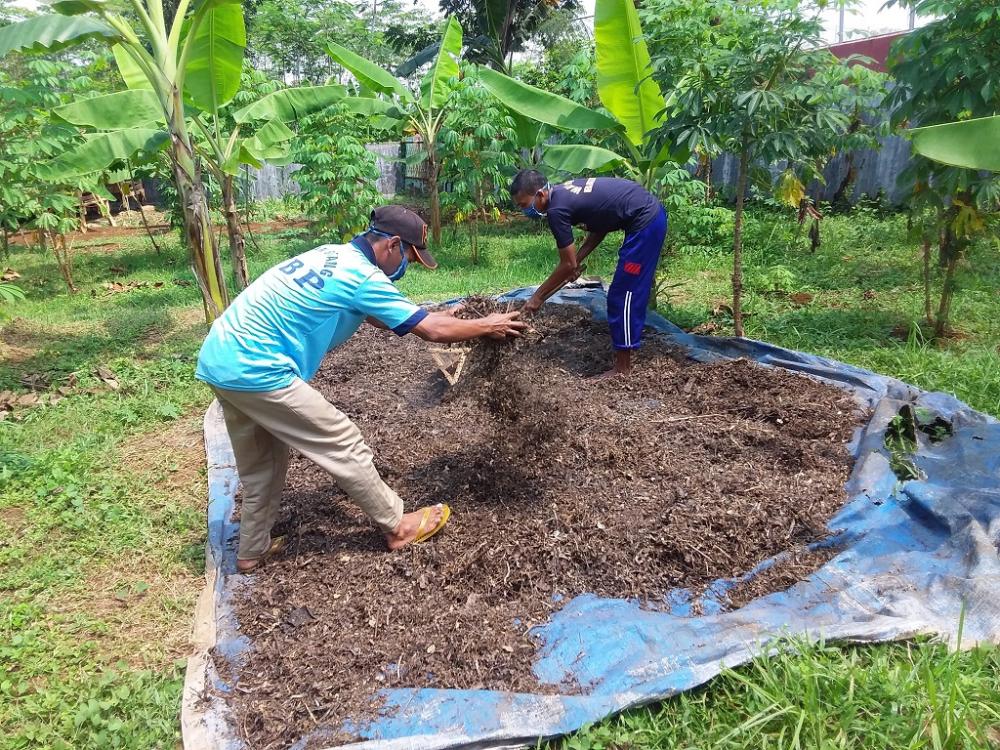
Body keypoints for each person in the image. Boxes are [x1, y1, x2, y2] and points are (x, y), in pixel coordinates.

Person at [196, 205, 527, 572]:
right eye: (410, 258)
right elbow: (432, 332)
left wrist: (429, 315)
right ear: (393, 244)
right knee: (342, 440)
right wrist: (487, 324)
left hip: (221, 359)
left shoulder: (332, 255)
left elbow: (380, 316)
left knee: (264, 464)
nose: (407, 267)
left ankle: (251, 551)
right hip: (257, 368)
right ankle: (398, 526)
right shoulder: (361, 276)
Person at [510, 170, 668, 378]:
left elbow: (566, 264)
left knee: (624, 295)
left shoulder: (556, 210)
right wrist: (576, 263)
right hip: (648, 217)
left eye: (524, 205)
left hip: (645, 223)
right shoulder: (564, 193)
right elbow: (599, 227)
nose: (525, 211)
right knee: (623, 292)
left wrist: (537, 297)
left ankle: (623, 369)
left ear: (540, 195)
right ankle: (624, 354)